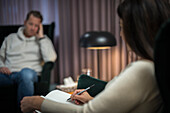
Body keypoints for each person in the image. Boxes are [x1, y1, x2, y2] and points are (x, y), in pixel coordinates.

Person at [20, 0, 170, 113]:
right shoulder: (155, 66)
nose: (121, 34)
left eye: (122, 27)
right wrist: (92, 100)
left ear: (136, 31)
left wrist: (37, 102)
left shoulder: (142, 70)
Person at [0, 10, 57, 106]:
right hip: (8, 74)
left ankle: (25, 109)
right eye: (31, 24)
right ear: (25, 22)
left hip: (29, 74)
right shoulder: (10, 38)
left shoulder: (44, 40)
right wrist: (1, 66)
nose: (33, 28)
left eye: (36, 26)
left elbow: (51, 59)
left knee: (25, 73)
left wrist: (41, 38)